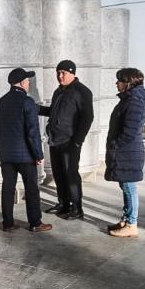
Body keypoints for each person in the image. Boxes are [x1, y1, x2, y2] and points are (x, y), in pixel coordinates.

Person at [0, 68, 52, 233]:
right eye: (27, 81)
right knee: (31, 189)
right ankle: (35, 223)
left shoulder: (1, 102)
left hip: (6, 156)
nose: (28, 83)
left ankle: (7, 224)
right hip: (26, 156)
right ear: (22, 83)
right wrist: (38, 155)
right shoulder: (27, 102)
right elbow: (33, 132)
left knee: (8, 189)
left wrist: (0, 152)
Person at [38, 59, 94, 220]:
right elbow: (53, 112)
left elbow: (87, 117)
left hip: (70, 142)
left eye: (63, 73)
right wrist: (36, 109)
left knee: (71, 175)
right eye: (58, 73)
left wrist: (77, 141)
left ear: (72, 73)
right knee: (58, 174)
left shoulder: (82, 91)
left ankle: (77, 208)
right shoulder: (58, 91)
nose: (60, 76)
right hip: (55, 139)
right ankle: (64, 204)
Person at [105, 68, 145, 238]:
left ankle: (132, 224)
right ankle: (126, 220)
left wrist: (115, 145)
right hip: (125, 152)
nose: (116, 83)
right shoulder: (129, 100)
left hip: (127, 152)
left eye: (120, 80)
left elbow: (130, 131)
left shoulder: (134, 102)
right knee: (125, 186)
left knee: (129, 187)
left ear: (128, 83)